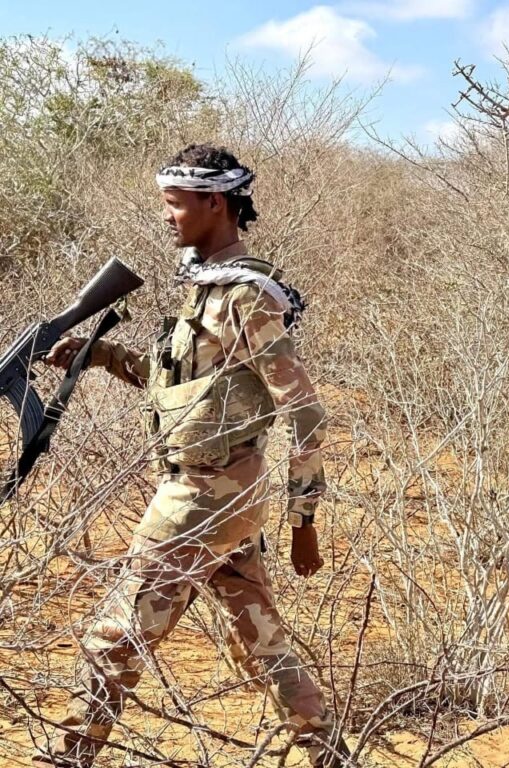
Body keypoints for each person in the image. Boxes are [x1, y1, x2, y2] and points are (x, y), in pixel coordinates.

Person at [35, 144, 346, 767]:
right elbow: (185, 386)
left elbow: (305, 411)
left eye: (175, 204)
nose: (167, 216)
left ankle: (67, 757)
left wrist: (304, 522)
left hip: (201, 499)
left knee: (113, 638)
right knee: (261, 642)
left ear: (215, 203)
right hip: (225, 498)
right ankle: (328, 755)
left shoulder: (245, 296)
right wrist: (101, 355)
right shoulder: (208, 288)